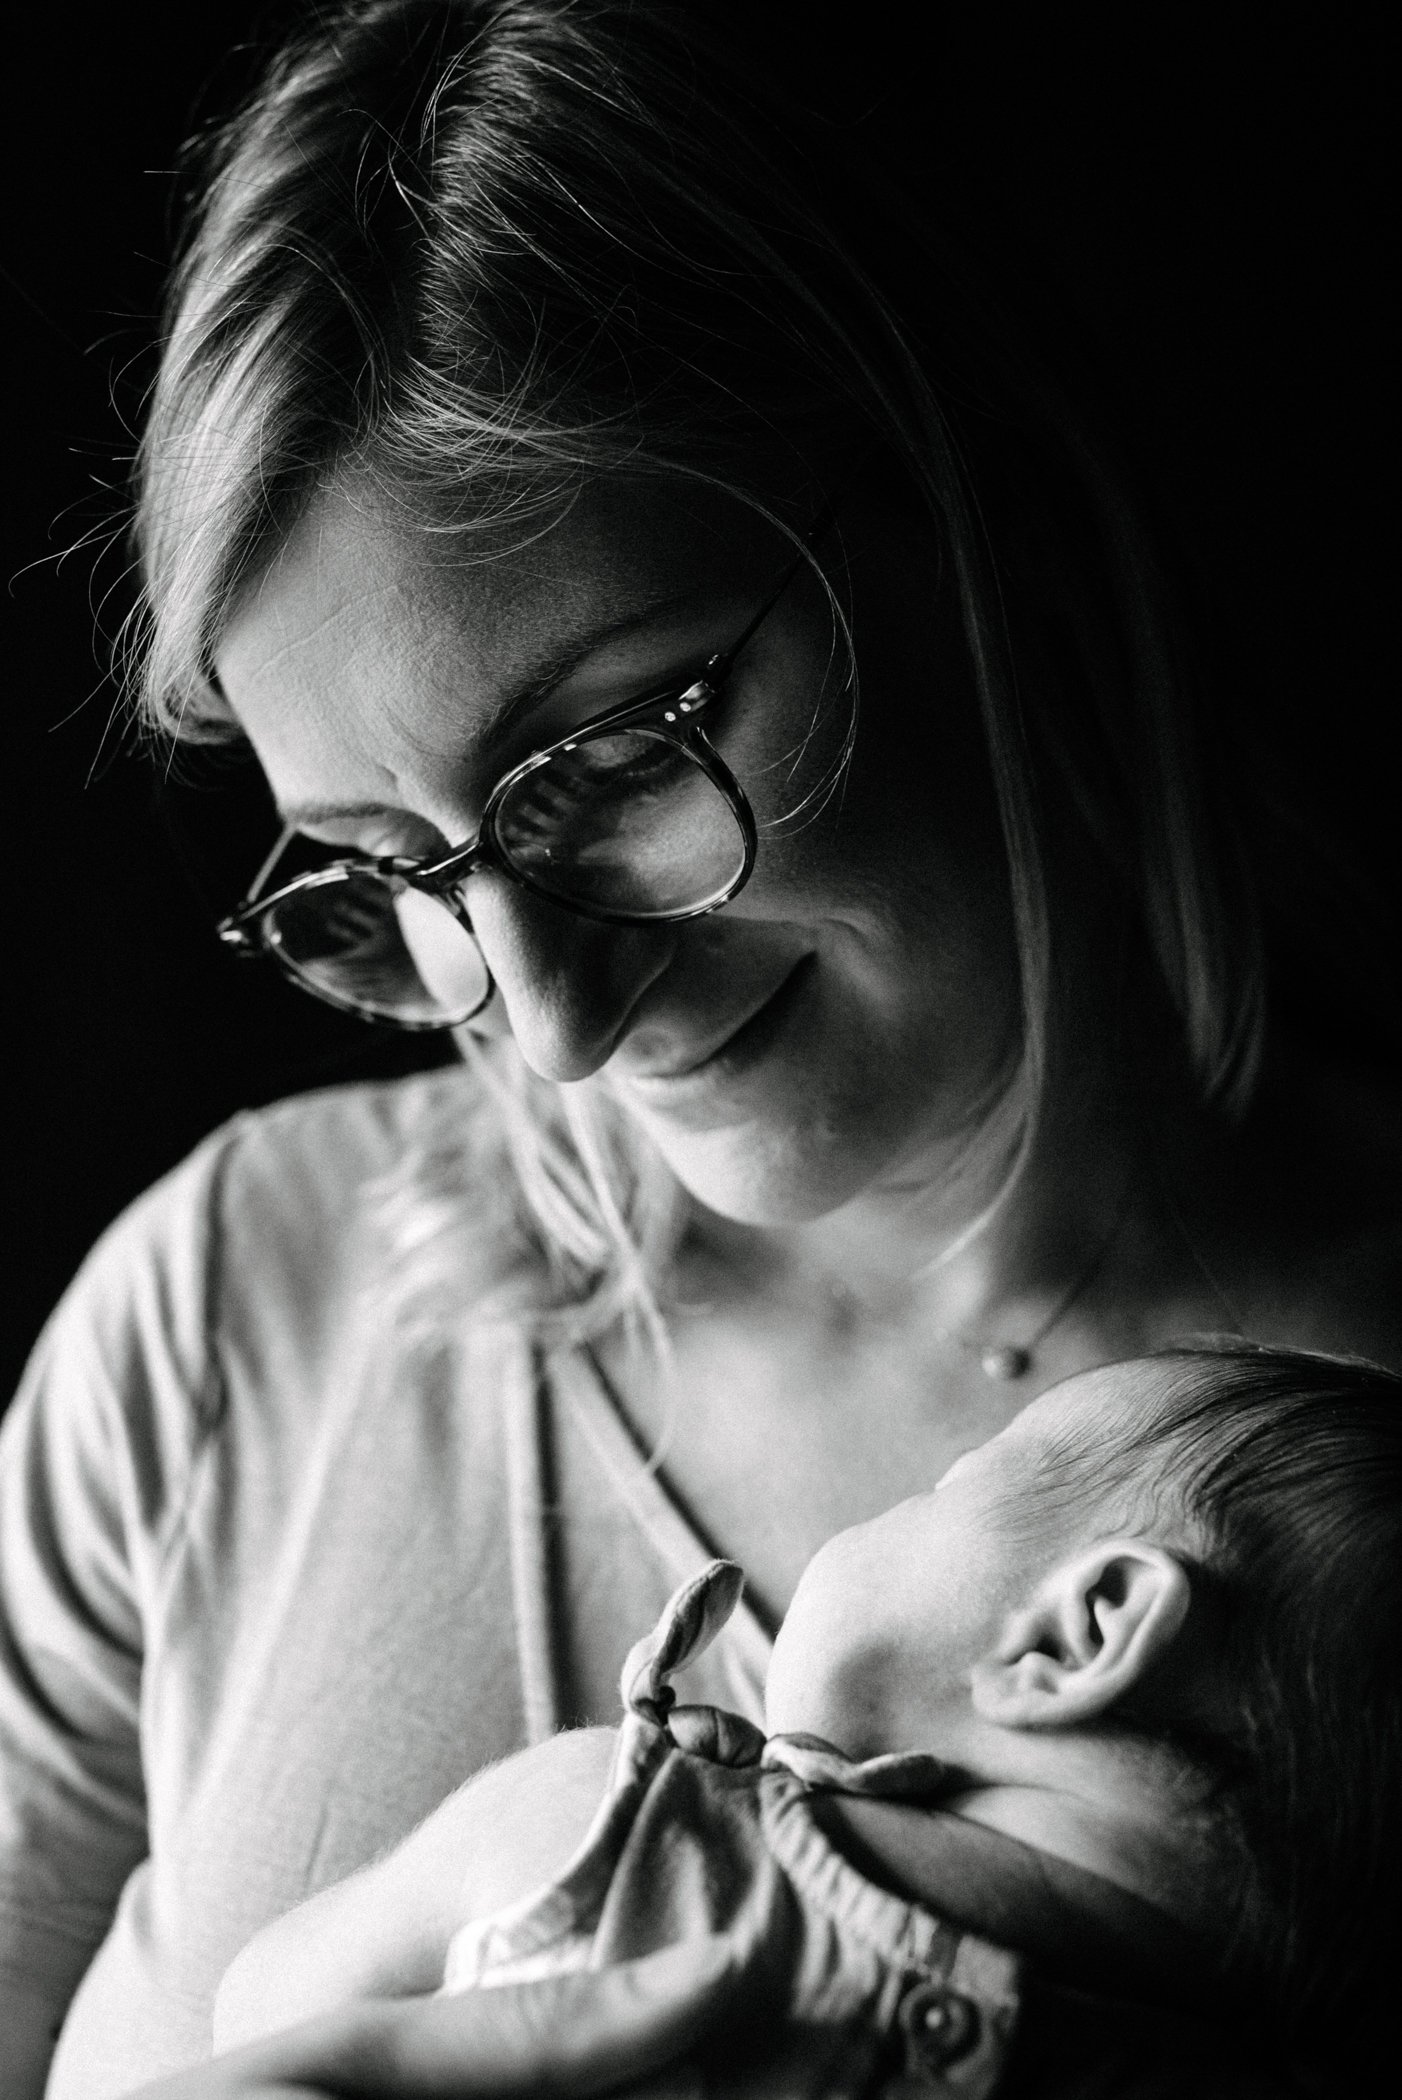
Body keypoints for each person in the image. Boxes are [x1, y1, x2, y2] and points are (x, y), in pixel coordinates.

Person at [1, 1, 1396, 2092]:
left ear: (978, 500)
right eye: (384, 875)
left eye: (609, 755)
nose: (548, 1020)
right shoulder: (228, 1320)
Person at [210, 1346, 1402, 2096]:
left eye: (950, 1482)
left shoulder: (611, 1835)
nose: (911, 1492)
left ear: (1075, 1635)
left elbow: (262, 2016)